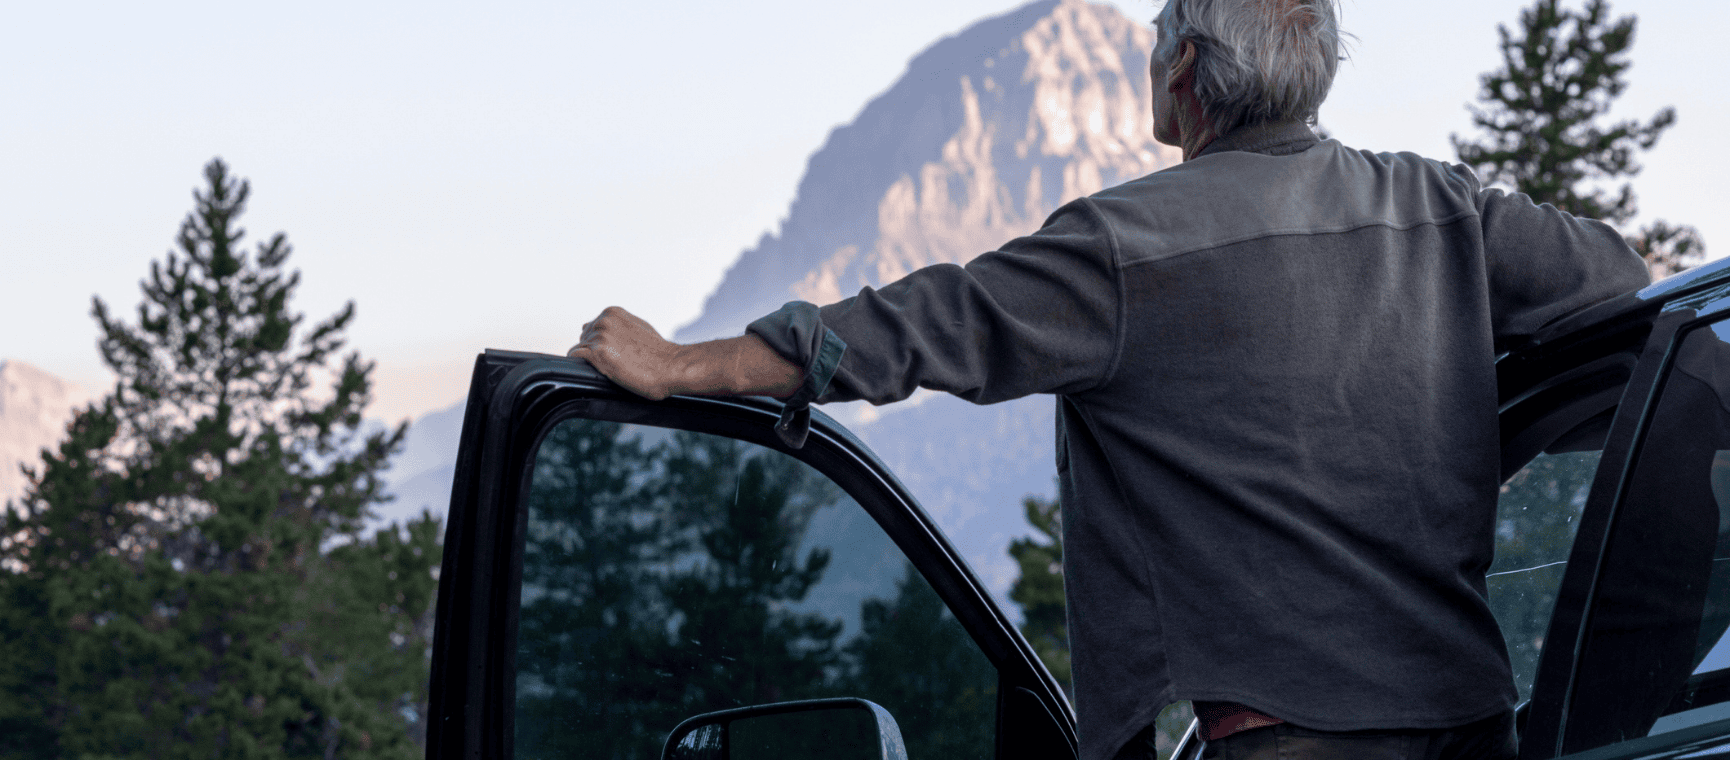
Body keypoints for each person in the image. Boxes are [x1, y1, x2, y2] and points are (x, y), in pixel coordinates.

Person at [568, 0, 1650, 757]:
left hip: (1285, 736)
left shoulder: (1126, 246)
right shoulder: (1442, 208)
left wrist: (687, 362)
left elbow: (920, 324)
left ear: (1182, 73)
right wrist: (1449, 392)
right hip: (1476, 717)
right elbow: (1614, 286)